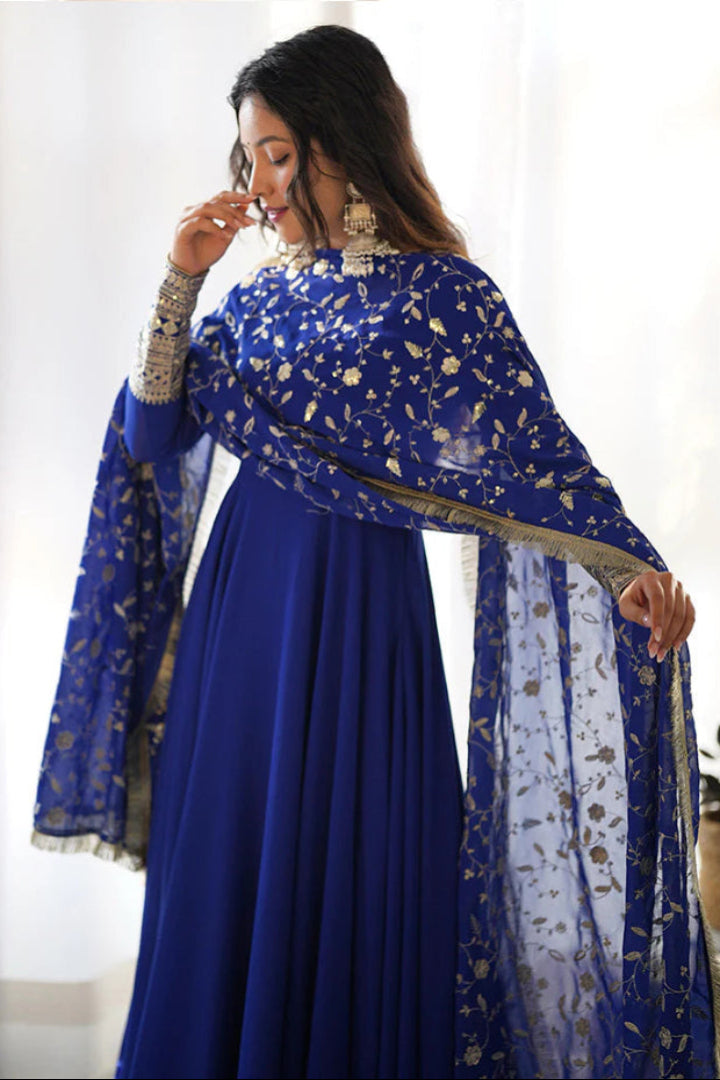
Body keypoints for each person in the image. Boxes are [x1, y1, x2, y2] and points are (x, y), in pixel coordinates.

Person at [32, 24, 715, 1080]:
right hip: (240, 628)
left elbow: (540, 466)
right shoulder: (257, 299)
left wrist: (633, 578)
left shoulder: (448, 299)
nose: (255, 183)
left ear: (339, 141)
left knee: (357, 875)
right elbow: (152, 434)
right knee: (229, 871)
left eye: (274, 153)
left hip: (359, 628)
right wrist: (181, 277)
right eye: (245, 157)